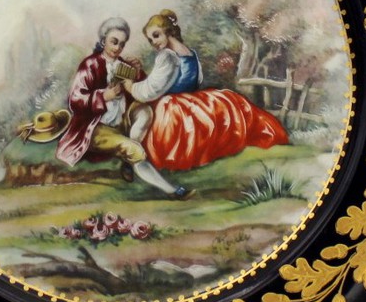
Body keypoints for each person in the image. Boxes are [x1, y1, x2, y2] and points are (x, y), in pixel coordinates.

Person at [123, 10, 289, 171]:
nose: (154, 42)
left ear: (168, 31)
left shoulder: (167, 55)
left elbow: (151, 90)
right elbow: (196, 81)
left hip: (173, 105)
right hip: (190, 99)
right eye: (150, 39)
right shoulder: (190, 53)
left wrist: (130, 86)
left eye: (156, 35)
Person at [55, 17, 192, 198]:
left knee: (145, 111)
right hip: (96, 128)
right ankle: (172, 191)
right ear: (103, 40)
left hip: (121, 122)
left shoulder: (123, 65)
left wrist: (138, 72)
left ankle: (129, 160)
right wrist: (104, 96)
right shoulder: (90, 64)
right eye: (114, 42)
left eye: (122, 44)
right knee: (136, 151)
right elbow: (75, 100)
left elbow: (139, 91)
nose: (117, 47)